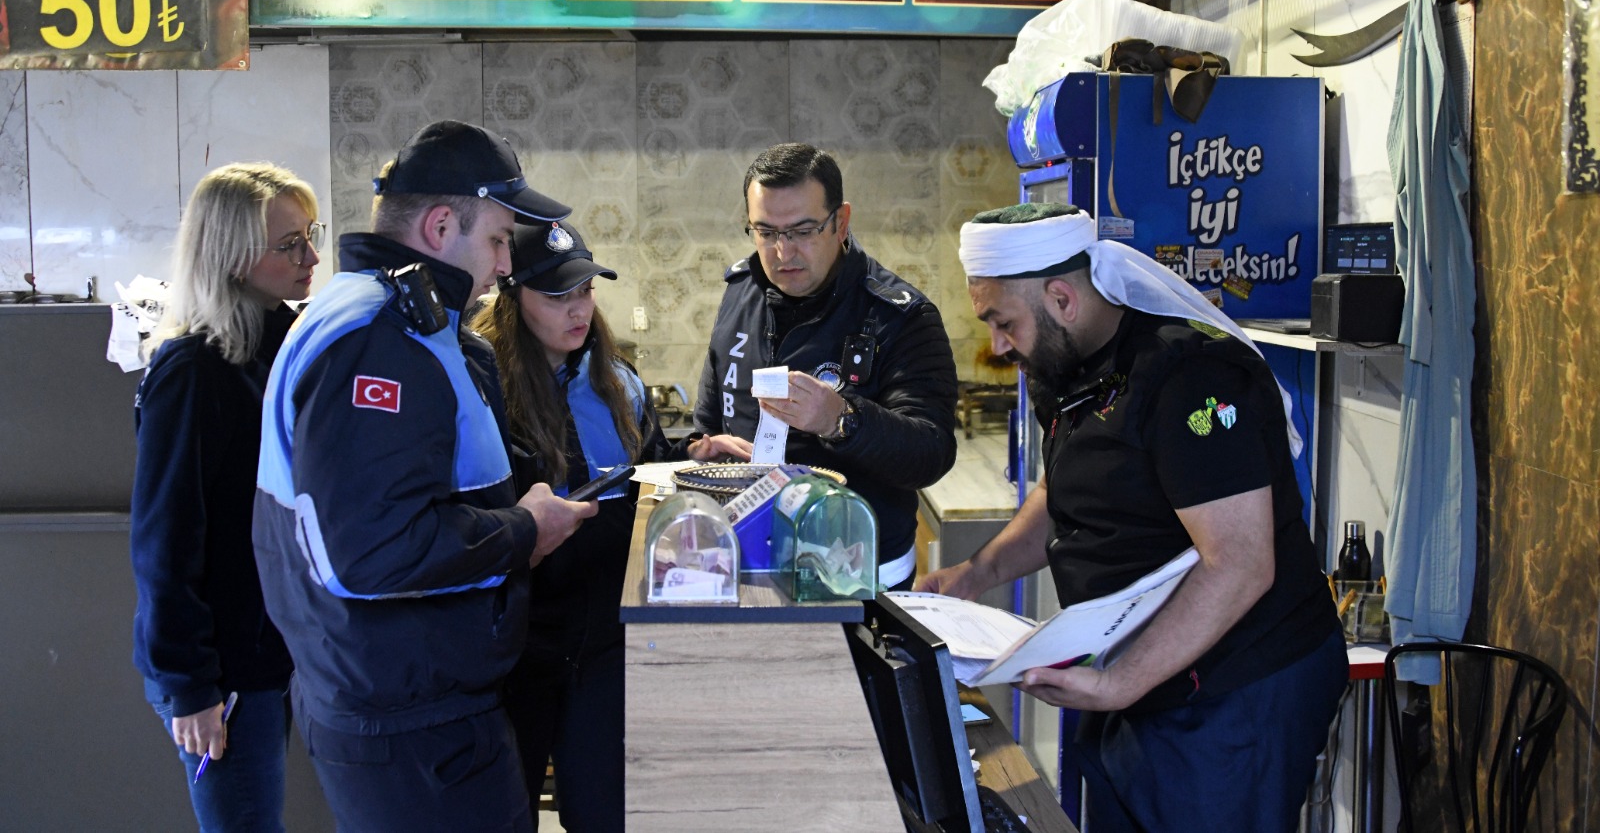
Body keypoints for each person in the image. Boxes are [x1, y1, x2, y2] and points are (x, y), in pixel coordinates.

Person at [919, 203, 1345, 833]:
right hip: (1134, 675)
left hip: (1235, 690)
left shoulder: (1192, 377)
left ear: (1062, 298)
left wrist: (1119, 684)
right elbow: (1066, 490)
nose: (997, 345)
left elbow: (1241, 563)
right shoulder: (1063, 367)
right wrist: (977, 573)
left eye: (1003, 323)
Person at [252, 121, 597, 833]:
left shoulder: (393, 320)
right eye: (500, 239)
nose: (506, 264)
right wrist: (525, 528)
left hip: (406, 708)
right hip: (410, 729)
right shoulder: (380, 339)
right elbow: (374, 549)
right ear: (442, 226)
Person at [131, 163, 322, 832]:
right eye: (290, 244)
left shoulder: (277, 347)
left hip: (276, 654)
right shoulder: (193, 371)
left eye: (310, 236)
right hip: (227, 669)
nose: (312, 257)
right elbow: (164, 541)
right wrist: (190, 685)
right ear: (232, 254)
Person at [471, 218, 669, 833]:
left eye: (584, 290)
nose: (578, 308)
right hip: (517, 654)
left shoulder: (621, 385)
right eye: (557, 295)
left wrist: (692, 471)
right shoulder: (484, 393)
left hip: (605, 648)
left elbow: (655, 486)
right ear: (512, 296)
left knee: (604, 815)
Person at [688, 142, 958, 590]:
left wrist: (841, 421)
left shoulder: (900, 315)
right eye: (765, 231)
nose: (782, 252)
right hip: (747, 558)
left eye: (802, 230)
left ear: (841, 221)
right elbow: (709, 415)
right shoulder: (740, 291)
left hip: (857, 574)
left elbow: (931, 453)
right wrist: (702, 451)